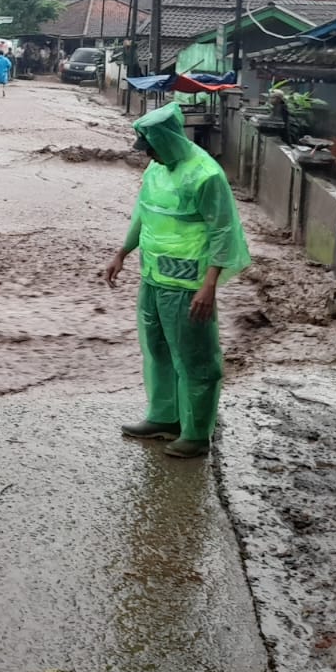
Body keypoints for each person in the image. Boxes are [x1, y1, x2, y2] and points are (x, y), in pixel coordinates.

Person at [105, 101, 250, 460]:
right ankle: (164, 416)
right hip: (153, 276)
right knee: (157, 349)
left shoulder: (206, 175)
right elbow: (144, 212)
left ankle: (197, 433)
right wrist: (122, 252)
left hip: (188, 285)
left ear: (167, 141)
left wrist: (210, 284)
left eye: (151, 148)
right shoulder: (155, 172)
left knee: (195, 358)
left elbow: (223, 231)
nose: (148, 156)